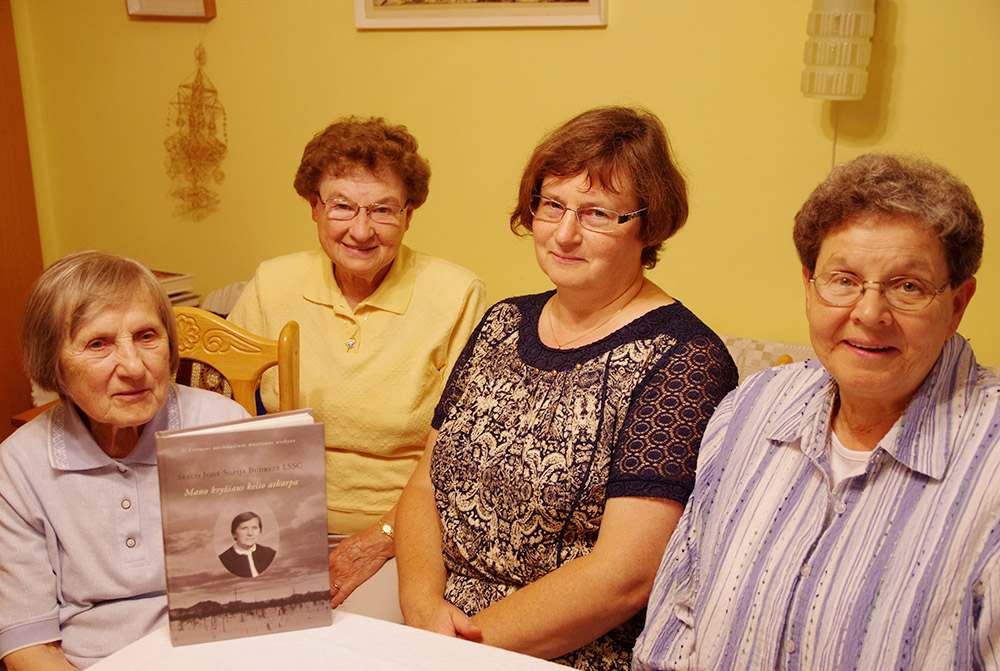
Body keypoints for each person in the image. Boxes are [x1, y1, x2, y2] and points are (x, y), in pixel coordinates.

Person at [395, 106, 738, 670]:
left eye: (598, 213)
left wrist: (457, 649)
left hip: (564, 651)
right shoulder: (503, 322)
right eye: (551, 205)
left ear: (648, 225)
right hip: (434, 628)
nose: (564, 232)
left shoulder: (685, 361)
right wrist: (421, 609)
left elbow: (624, 578)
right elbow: (425, 482)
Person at [632, 154, 999, 671]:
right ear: (809, 286)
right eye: (843, 280)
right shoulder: (751, 409)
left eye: (907, 286)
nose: (869, 314)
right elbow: (674, 626)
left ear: (958, 304)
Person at [226, 116, 486, 612]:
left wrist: (384, 536)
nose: (361, 230)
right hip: (272, 521)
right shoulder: (272, 283)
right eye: (342, 206)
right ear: (314, 208)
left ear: (409, 216)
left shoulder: (456, 294)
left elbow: (461, 452)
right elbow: (221, 407)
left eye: (382, 209)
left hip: (400, 531)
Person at [0, 251, 248, 670]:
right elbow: (28, 644)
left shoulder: (222, 425)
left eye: (148, 336)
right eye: (98, 344)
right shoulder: (19, 467)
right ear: (53, 362)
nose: (134, 367)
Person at [218, 512, 277, 578]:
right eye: (244, 528)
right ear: (234, 533)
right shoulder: (224, 560)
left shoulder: (269, 553)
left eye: (254, 528)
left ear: (260, 531)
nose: (250, 533)